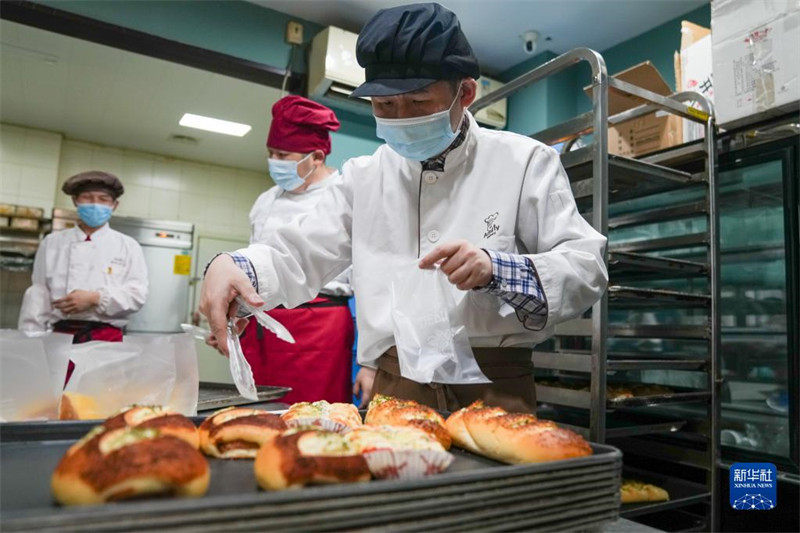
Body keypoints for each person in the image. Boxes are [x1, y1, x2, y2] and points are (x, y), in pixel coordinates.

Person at [200, 2, 607, 413]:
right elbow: (298, 253)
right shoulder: (363, 177)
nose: (399, 118)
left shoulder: (524, 162)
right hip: (395, 387)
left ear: (464, 93)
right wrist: (235, 267)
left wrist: (497, 270)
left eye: (416, 103)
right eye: (384, 106)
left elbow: (585, 267)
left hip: (495, 387)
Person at [238, 95, 355, 404]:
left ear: (316, 157)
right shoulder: (266, 200)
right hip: (263, 323)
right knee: (259, 411)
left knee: (315, 414)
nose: (274, 161)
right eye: (270, 153)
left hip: (319, 325)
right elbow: (258, 264)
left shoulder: (344, 193)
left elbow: (370, 280)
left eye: (283, 154)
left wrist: (370, 362)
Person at [19, 171, 148, 350]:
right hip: (58, 338)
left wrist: (95, 298)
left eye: (103, 199)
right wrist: (30, 343)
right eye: (87, 197)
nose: (95, 204)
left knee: (102, 380)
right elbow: (38, 295)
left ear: (114, 205)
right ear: (75, 201)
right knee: (57, 378)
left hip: (106, 339)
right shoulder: (52, 243)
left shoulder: (127, 245)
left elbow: (137, 296)